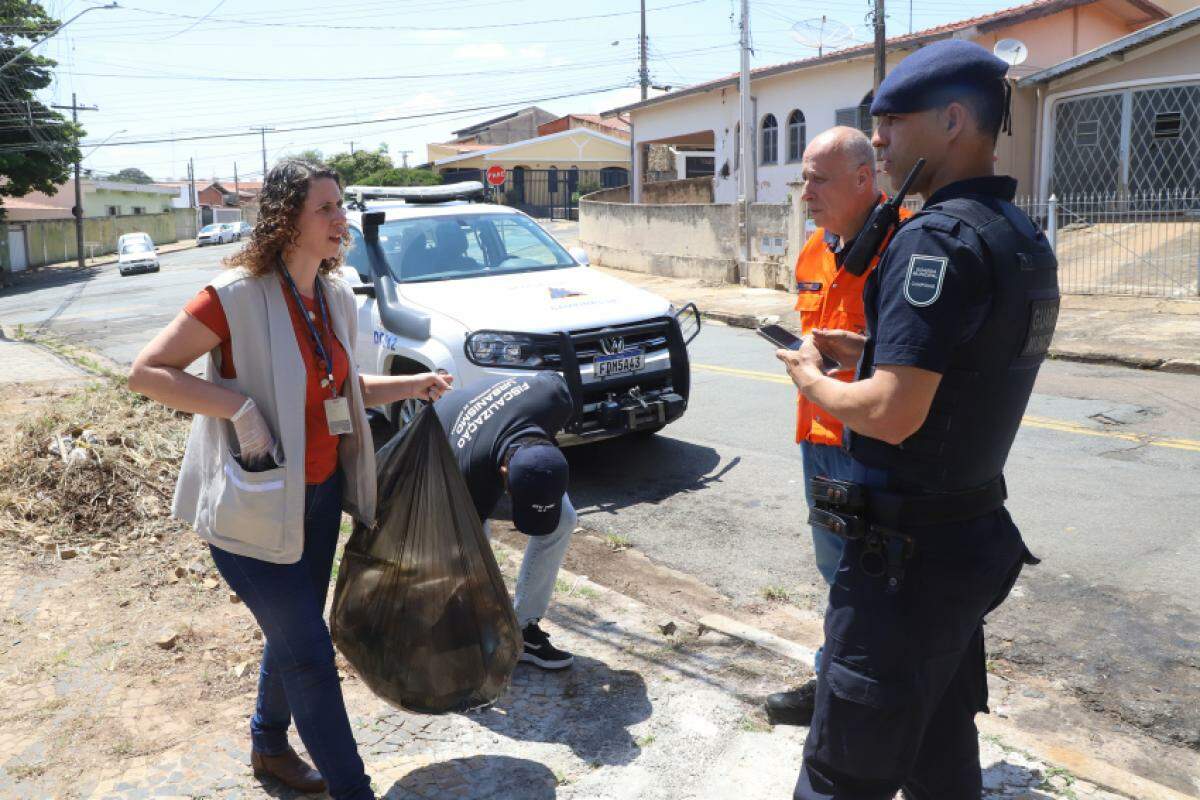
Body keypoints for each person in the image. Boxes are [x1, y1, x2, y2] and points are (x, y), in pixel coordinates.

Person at [776, 39, 1059, 798]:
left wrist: (814, 379)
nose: (881, 141)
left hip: (902, 566)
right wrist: (871, 351)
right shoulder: (1017, 235)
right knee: (939, 745)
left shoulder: (933, 237)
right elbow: (966, 364)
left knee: (841, 772)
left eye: (893, 124)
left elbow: (895, 415)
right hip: (966, 540)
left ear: (954, 121)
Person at [128, 159, 452, 799]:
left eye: (341, 206)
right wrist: (238, 408)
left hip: (318, 498)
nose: (341, 220)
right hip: (251, 508)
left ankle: (269, 747)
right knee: (307, 651)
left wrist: (412, 384)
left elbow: (339, 388)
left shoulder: (333, 297)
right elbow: (147, 372)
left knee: (293, 632)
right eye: (326, 208)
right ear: (286, 221)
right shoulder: (234, 298)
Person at [766, 126, 911, 727]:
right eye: (804, 178)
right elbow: (814, 324)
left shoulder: (904, 245)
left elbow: (919, 358)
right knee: (836, 575)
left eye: (818, 179)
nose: (806, 192)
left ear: (863, 178)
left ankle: (878, 695)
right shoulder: (815, 249)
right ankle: (839, 680)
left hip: (872, 444)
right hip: (818, 436)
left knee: (881, 581)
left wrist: (865, 352)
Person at [432, 372, 578, 670]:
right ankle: (467, 634)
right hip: (441, 441)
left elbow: (549, 377)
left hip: (511, 428)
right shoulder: (469, 474)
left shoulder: (557, 398)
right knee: (471, 552)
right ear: (503, 474)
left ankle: (523, 630)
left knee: (563, 519)